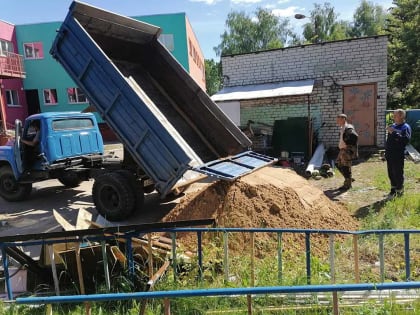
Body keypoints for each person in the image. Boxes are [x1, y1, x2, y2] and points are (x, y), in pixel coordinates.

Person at [385, 109, 411, 197]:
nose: (393, 117)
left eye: (395, 115)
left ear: (401, 116)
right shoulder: (393, 125)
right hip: (390, 154)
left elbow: (405, 140)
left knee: (398, 172)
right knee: (391, 172)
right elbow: (389, 140)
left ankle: (399, 191)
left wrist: (393, 132)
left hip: (398, 154)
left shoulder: (405, 127)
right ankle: (393, 189)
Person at [335, 113, 358, 190]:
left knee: (346, 166)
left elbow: (355, 137)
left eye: (338, 119)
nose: (337, 121)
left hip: (347, 150)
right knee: (338, 163)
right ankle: (349, 178)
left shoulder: (348, 127)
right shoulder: (343, 127)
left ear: (343, 119)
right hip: (343, 150)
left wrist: (347, 145)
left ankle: (347, 184)